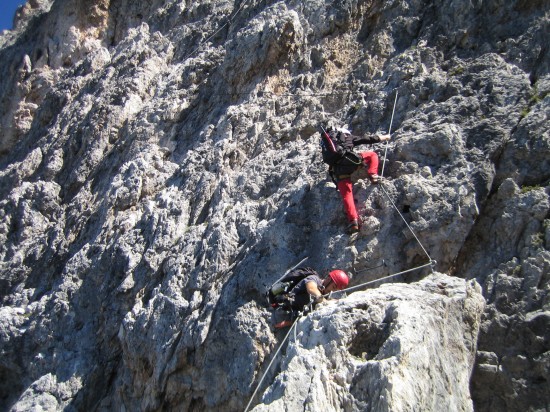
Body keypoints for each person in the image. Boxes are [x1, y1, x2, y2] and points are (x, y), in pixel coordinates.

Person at [328, 127, 391, 234]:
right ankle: (373, 175)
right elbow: (367, 139)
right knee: (372, 155)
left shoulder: (330, 146)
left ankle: (353, 222)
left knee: (347, 196)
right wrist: (385, 137)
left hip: (338, 171)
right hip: (350, 161)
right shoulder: (347, 137)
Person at [267, 268, 350, 328]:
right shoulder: (314, 279)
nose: (333, 290)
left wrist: (288, 323)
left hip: (291, 319)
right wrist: (326, 302)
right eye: (334, 286)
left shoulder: (325, 296)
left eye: (336, 289)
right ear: (329, 279)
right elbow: (311, 289)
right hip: (281, 311)